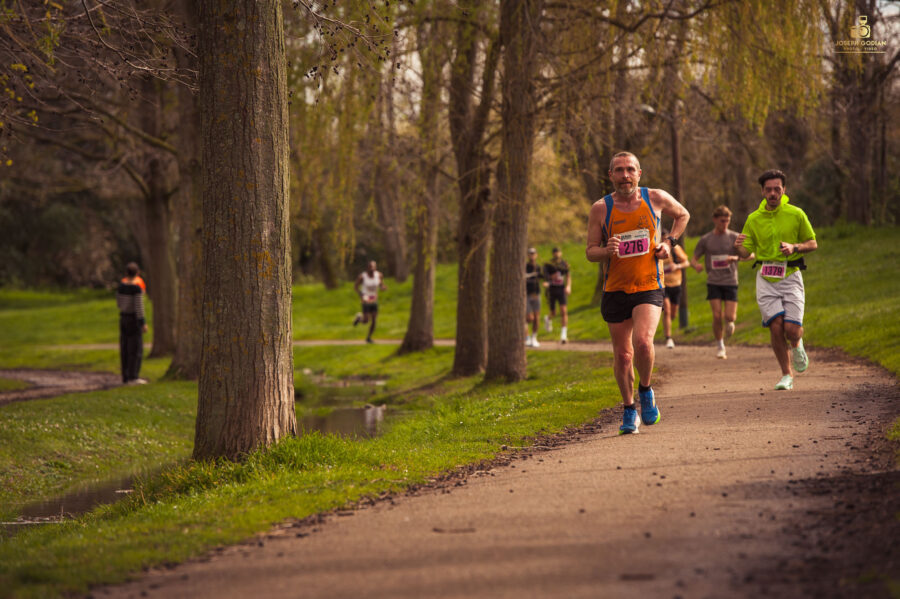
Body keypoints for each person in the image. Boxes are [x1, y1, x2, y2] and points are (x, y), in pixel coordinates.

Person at [586, 151, 689, 435]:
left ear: (639, 173)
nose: (625, 175)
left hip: (649, 284)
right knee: (623, 355)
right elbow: (590, 252)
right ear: (611, 176)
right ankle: (629, 409)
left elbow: (683, 215)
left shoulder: (654, 197)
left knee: (643, 343)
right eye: (618, 170)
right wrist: (605, 251)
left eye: (630, 170)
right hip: (615, 288)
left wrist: (669, 243)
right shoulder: (600, 208)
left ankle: (645, 390)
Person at [735, 170, 817, 391]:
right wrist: (739, 247)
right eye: (768, 189)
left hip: (791, 276)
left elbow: (812, 243)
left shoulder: (796, 214)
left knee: (791, 329)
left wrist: (795, 247)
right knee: (775, 326)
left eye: (777, 189)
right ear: (762, 191)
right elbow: (745, 253)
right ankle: (786, 375)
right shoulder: (753, 219)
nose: (772, 193)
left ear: (784, 190)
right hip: (766, 277)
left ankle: (797, 343)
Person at [690, 205, 752, 359]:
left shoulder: (735, 237)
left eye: (728, 220)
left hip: (731, 281)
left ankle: (730, 323)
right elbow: (693, 259)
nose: (725, 224)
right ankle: (720, 346)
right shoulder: (706, 239)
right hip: (714, 281)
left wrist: (735, 258)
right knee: (717, 316)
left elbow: (751, 255)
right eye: (722, 221)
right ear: (715, 220)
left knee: (730, 317)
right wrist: (696, 265)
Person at [116, 262, 148, 384]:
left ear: (126, 273)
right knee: (135, 348)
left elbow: (118, 303)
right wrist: (143, 323)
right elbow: (139, 307)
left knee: (124, 347)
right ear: (138, 273)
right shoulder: (137, 288)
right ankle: (133, 376)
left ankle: (125, 376)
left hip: (123, 318)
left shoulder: (121, 287)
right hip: (134, 320)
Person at [660, 228, 689, 349]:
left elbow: (686, 263)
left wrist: (676, 265)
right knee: (666, 310)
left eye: (665, 238)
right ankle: (668, 338)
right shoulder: (656, 249)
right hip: (663, 285)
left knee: (672, 313)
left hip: (676, 284)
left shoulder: (675, 249)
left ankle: (669, 324)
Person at [353, 261, 387, 344]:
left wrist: (383, 287)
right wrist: (360, 294)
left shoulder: (379, 275)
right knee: (366, 320)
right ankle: (359, 318)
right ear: (367, 268)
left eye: (373, 267)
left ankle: (369, 337)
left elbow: (381, 284)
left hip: (374, 298)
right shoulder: (362, 276)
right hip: (365, 298)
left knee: (374, 319)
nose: (372, 269)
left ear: (375, 267)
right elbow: (356, 287)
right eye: (370, 267)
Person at [542, 247, 571, 343]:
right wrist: (550, 279)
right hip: (552, 290)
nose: (557, 254)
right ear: (553, 254)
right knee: (553, 312)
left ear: (561, 253)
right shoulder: (549, 264)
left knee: (564, 311)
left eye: (558, 252)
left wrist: (568, 286)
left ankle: (563, 335)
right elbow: (545, 276)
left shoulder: (564, 264)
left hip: (561, 289)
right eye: (555, 252)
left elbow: (568, 276)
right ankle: (548, 318)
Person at [525, 247, 544, 347]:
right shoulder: (525, 266)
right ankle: (526, 337)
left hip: (536, 294)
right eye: (530, 254)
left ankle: (533, 338)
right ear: (528, 255)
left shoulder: (539, 267)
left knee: (537, 317)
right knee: (529, 318)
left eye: (533, 253)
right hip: (526, 294)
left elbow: (544, 278)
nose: (532, 255)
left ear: (536, 255)